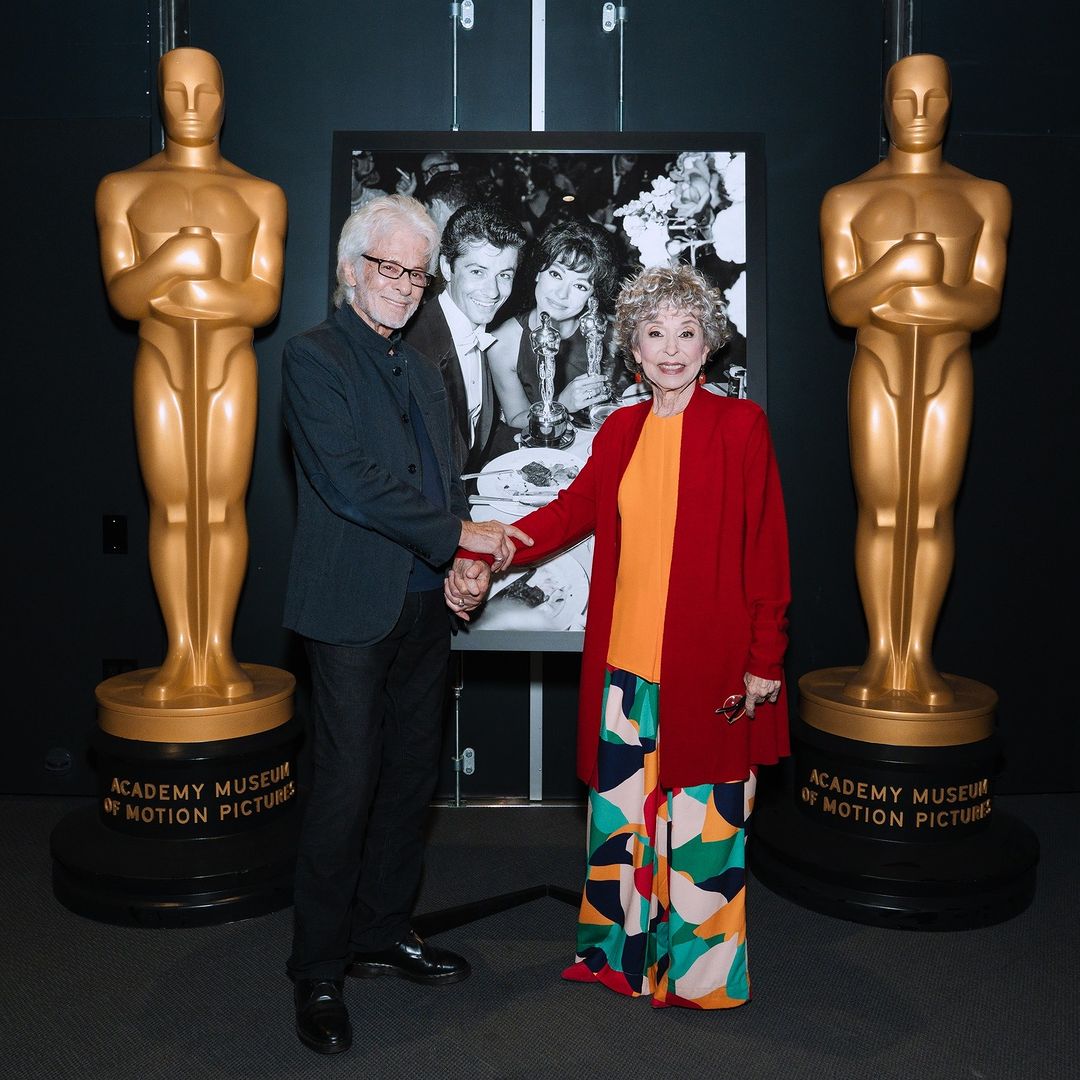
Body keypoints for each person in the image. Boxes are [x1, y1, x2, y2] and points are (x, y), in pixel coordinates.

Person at [449, 264, 791, 1009]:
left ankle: (700, 980)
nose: (670, 349)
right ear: (633, 347)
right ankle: (617, 960)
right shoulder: (621, 429)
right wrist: (493, 540)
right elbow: (570, 512)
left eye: (686, 333)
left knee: (703, 828)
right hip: (624, 668)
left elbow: (766, 549)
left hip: (709, 669)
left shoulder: (741, 427)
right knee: (621, 823)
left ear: (708, 345)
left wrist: (765, 657)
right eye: (654, 333)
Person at [281, 194, 531, 1055]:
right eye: (387, 267)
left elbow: (442, 484)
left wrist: (461, 561)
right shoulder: (312, 357)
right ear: (351, 269)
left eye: (415, 273)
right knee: (346, 784)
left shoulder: (424, 371)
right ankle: (318, 966)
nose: (401, 284)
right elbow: (350, 482)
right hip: (349, 605)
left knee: (410, 779)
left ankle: (382, 932)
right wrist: (465, 537)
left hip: (425, 604)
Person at [95, 46, 286, 702]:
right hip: (160, 360)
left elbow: (263, 302)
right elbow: (125, 296)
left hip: (231, 363)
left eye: (205, 91)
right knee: (172, 506)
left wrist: (197, 293)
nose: (192, 106)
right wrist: (175, 257)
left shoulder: (260, 195)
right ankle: (181, 651)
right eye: (177, 91)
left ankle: (219, 652)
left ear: (225, 98)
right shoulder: (123, 189)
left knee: (225, 505)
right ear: (159, 97)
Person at [819, 52, 1010, 706]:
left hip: (948, 369)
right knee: (879, 509)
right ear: (885, 105)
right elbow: (844, 305)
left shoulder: (984, 197)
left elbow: (985, 304)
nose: (920, 112)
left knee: (931, 512)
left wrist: (923, 299)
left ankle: (918, 656)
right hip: (878, 366)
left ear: (952, 102)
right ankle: (881, 653)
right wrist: (898, 265)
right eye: (905, 98)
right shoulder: (848, 199)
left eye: (934, 97)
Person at [404, 203, 527, 473]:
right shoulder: (413, 349)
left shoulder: (479, 332)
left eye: (504, 275)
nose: (493, 292)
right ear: (446, 267)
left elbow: (473, 442)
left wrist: (533, 446)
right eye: (477, 272)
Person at [486, 218, 623, 429]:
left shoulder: (608, 334)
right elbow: (515, 418)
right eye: (555, 274)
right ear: (538, 272)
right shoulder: (502, 343)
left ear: (593, 295)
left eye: (580, 286)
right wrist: (561, 405)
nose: (561, 294)